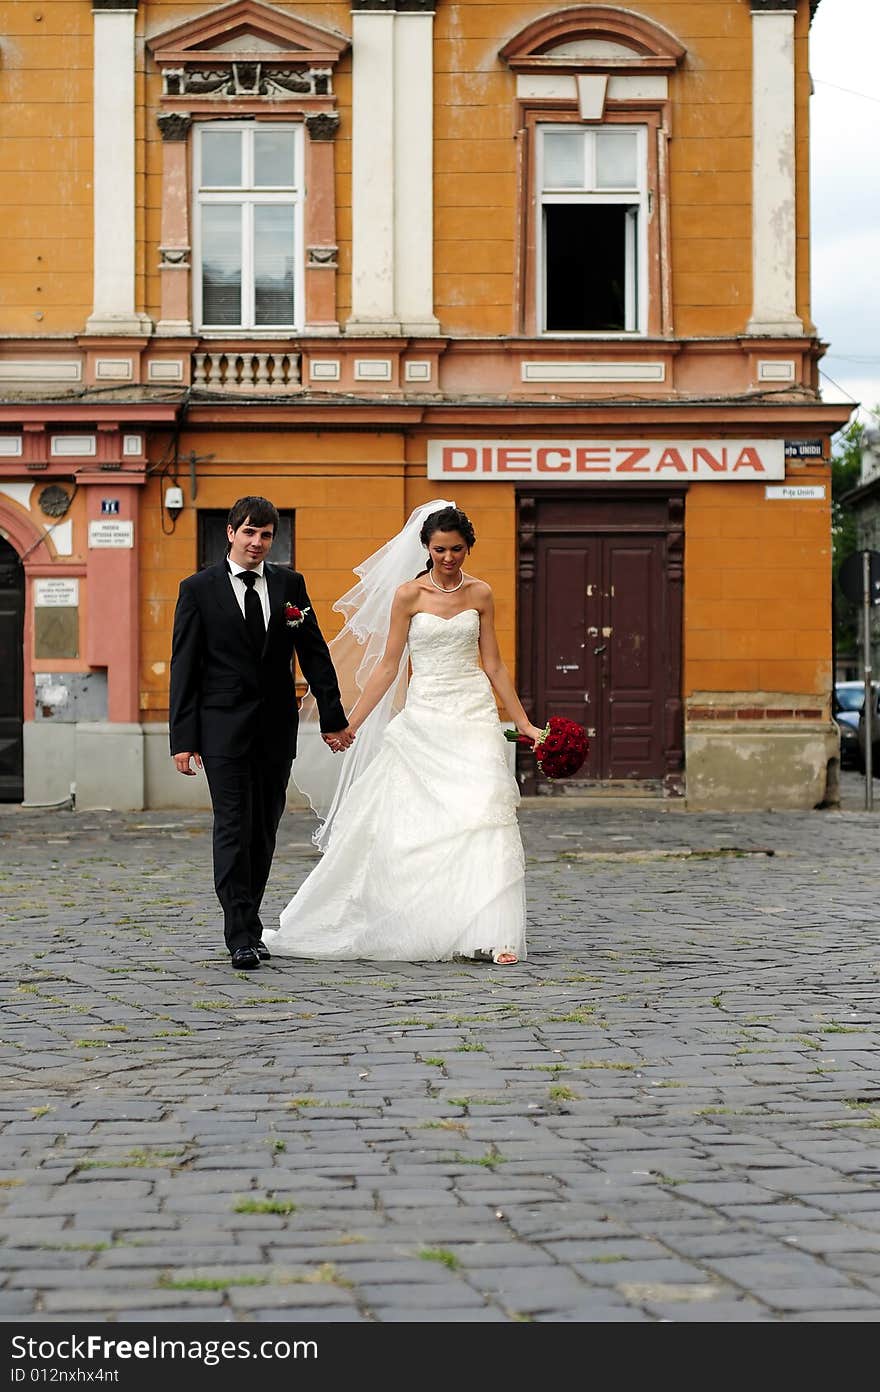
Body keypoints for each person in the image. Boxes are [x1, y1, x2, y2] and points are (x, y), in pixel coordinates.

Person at [263, 501, 545, 966]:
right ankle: (430, 921)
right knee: (425, 821)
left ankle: (493, 933)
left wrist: (524, 724)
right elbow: (388, 665)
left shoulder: (481, 594)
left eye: (456, 549)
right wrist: (352, 722)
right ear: (427, 549)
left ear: (468, 548)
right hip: (426, 714)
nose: (448, 558)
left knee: (485, 811)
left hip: (473, 712)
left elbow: (493, 663)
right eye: (439, 549)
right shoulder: (408, 596)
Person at [169, 495, 353, 971]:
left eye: (265, 535)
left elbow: (314, 653)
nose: (256, 542)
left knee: (263, 830)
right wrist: (183, 739)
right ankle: (241, 933)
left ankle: (248, 917)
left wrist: (332, 717)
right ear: (230, 533)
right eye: (248, 532)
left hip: (275, 729)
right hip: (221, 730)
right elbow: (184, 667)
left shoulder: (289, 585)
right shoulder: (198, 589)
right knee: (233, 825)